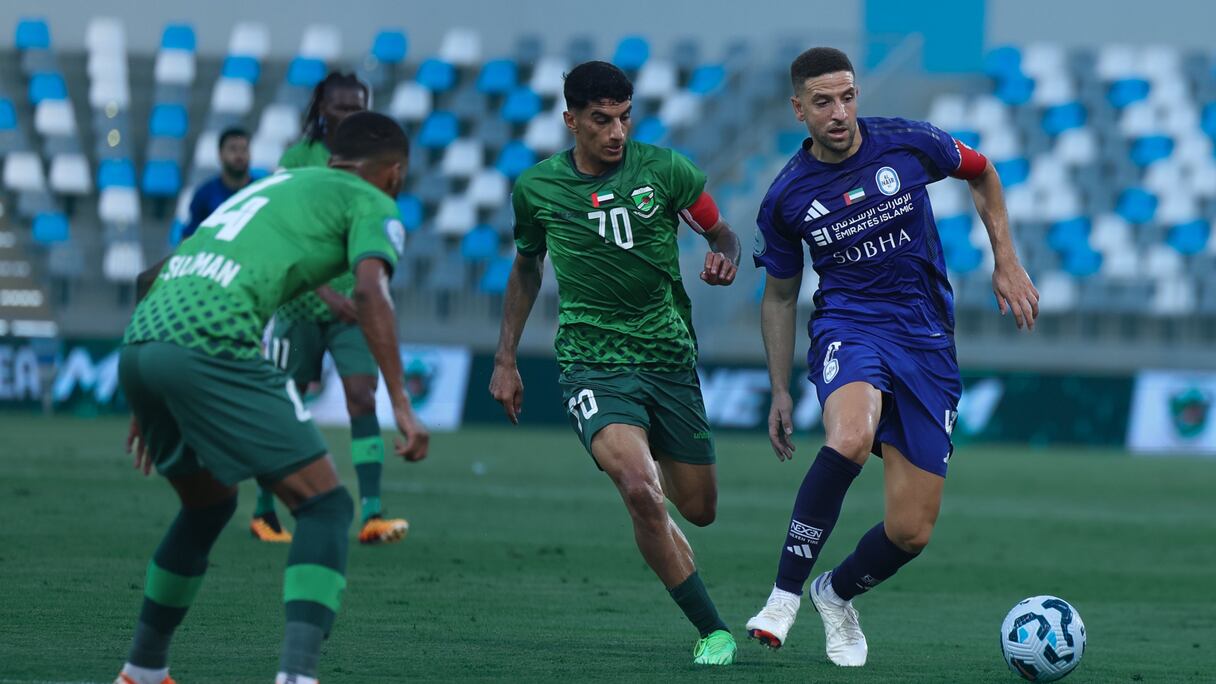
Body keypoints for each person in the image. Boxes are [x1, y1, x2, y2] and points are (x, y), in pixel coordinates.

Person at [745, 47, 1040, 666]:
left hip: (927, 341)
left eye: (848, 96)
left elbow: (983, 172)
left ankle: (836, 593)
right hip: (850, 327)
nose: (840, 112)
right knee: (850, 438)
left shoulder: (908, 144)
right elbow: (778, 295)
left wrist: (1006, 259)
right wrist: (778, 388)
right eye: (823, 102)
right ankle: (784, 596)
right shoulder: (786, 199)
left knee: (911, 531)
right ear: (799, 109)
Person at [115, 112, 429, 684]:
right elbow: (369, 289)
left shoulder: (267, 186)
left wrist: (145, 392)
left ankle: (141, 670)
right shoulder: (371, 201)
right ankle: (297, 677)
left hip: (143, 341)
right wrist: (401, 403)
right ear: (396, 174)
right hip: (213, 338)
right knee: (327, 506)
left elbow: (145, 279)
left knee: (207, 504)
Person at [489, 61, 742, 666]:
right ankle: (712, 630)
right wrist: (506, 359)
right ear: (571, 120)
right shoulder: (538, 189)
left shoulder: (666, 170)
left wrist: (724, 256)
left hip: (667, 356)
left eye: (625, 117)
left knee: (700, 510)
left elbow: (723, 233)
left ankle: (648, 461)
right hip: (591, 360)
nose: (616, 133)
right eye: (602, 121)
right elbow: (527, 267)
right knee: (638, 490)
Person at [252, 72, 410, 547]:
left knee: (362, 398)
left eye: (356, 106)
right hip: (302, 303)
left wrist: (362, 293)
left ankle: (373, 513)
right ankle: (263, 513)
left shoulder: (372, 160)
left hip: (354, 309)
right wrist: (329, 294)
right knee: (286, 407)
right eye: (339, 107)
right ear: (322, 108)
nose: (347, 114)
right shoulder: (297, 161)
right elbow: (287, 235)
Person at [179, 127, 258, 242]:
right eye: (233, 149)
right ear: (220, 154)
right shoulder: (204, 195)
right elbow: (189, 239)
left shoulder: (262, 191)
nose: (239, 155)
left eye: (244, 149)